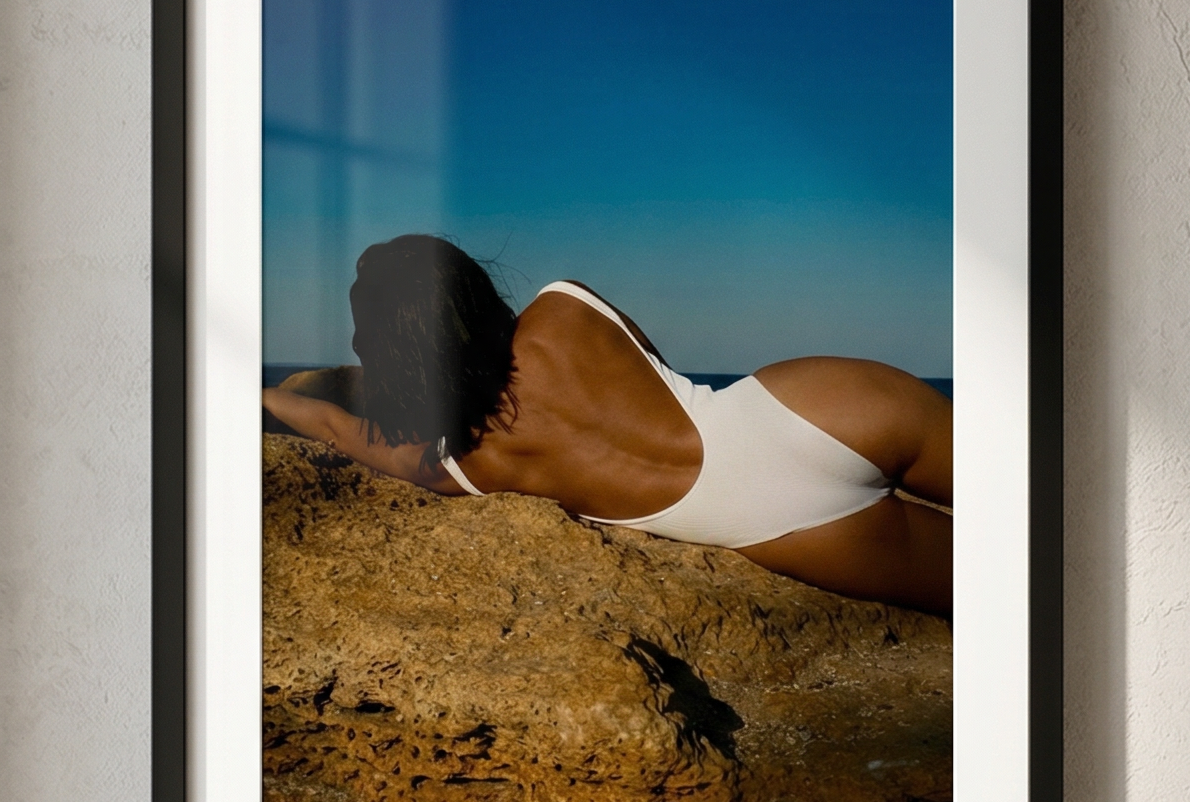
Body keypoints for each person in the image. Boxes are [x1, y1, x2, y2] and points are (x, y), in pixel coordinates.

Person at [262, 235, 951, 613]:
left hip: (777, 522)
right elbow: (657, 382)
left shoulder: (461, 467)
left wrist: (265, 399)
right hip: (814, 403)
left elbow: (330, 424)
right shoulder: (567, 307)